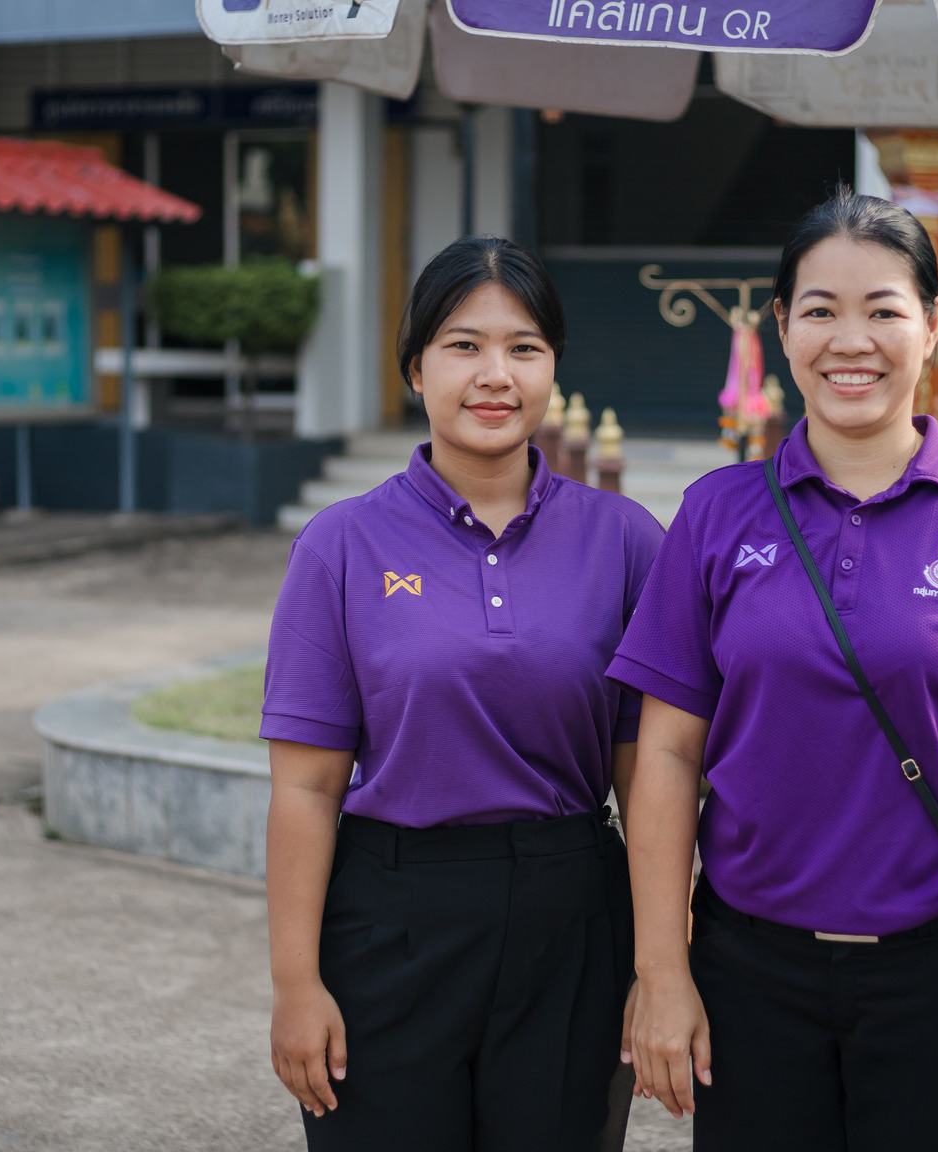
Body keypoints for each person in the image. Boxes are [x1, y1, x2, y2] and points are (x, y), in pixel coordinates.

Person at [612, 188, 938, 1151]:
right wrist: (663, 969)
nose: (852, 341)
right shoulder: (718, 516)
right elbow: (668, 758)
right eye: (820, 310)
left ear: (932, 323)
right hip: (747, 971)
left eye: (883, 309)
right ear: (782, 327)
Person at [261, 235, 664, 1152]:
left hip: (571, 919)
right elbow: (305, 788)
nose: (495, 375)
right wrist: (295, 984)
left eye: (524, 348)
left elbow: (652, 781)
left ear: (553, 367)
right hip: (389, 923)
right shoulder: (341, 546)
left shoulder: (628, 541)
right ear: (415, 368)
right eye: (463, 345)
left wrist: (658, 963)